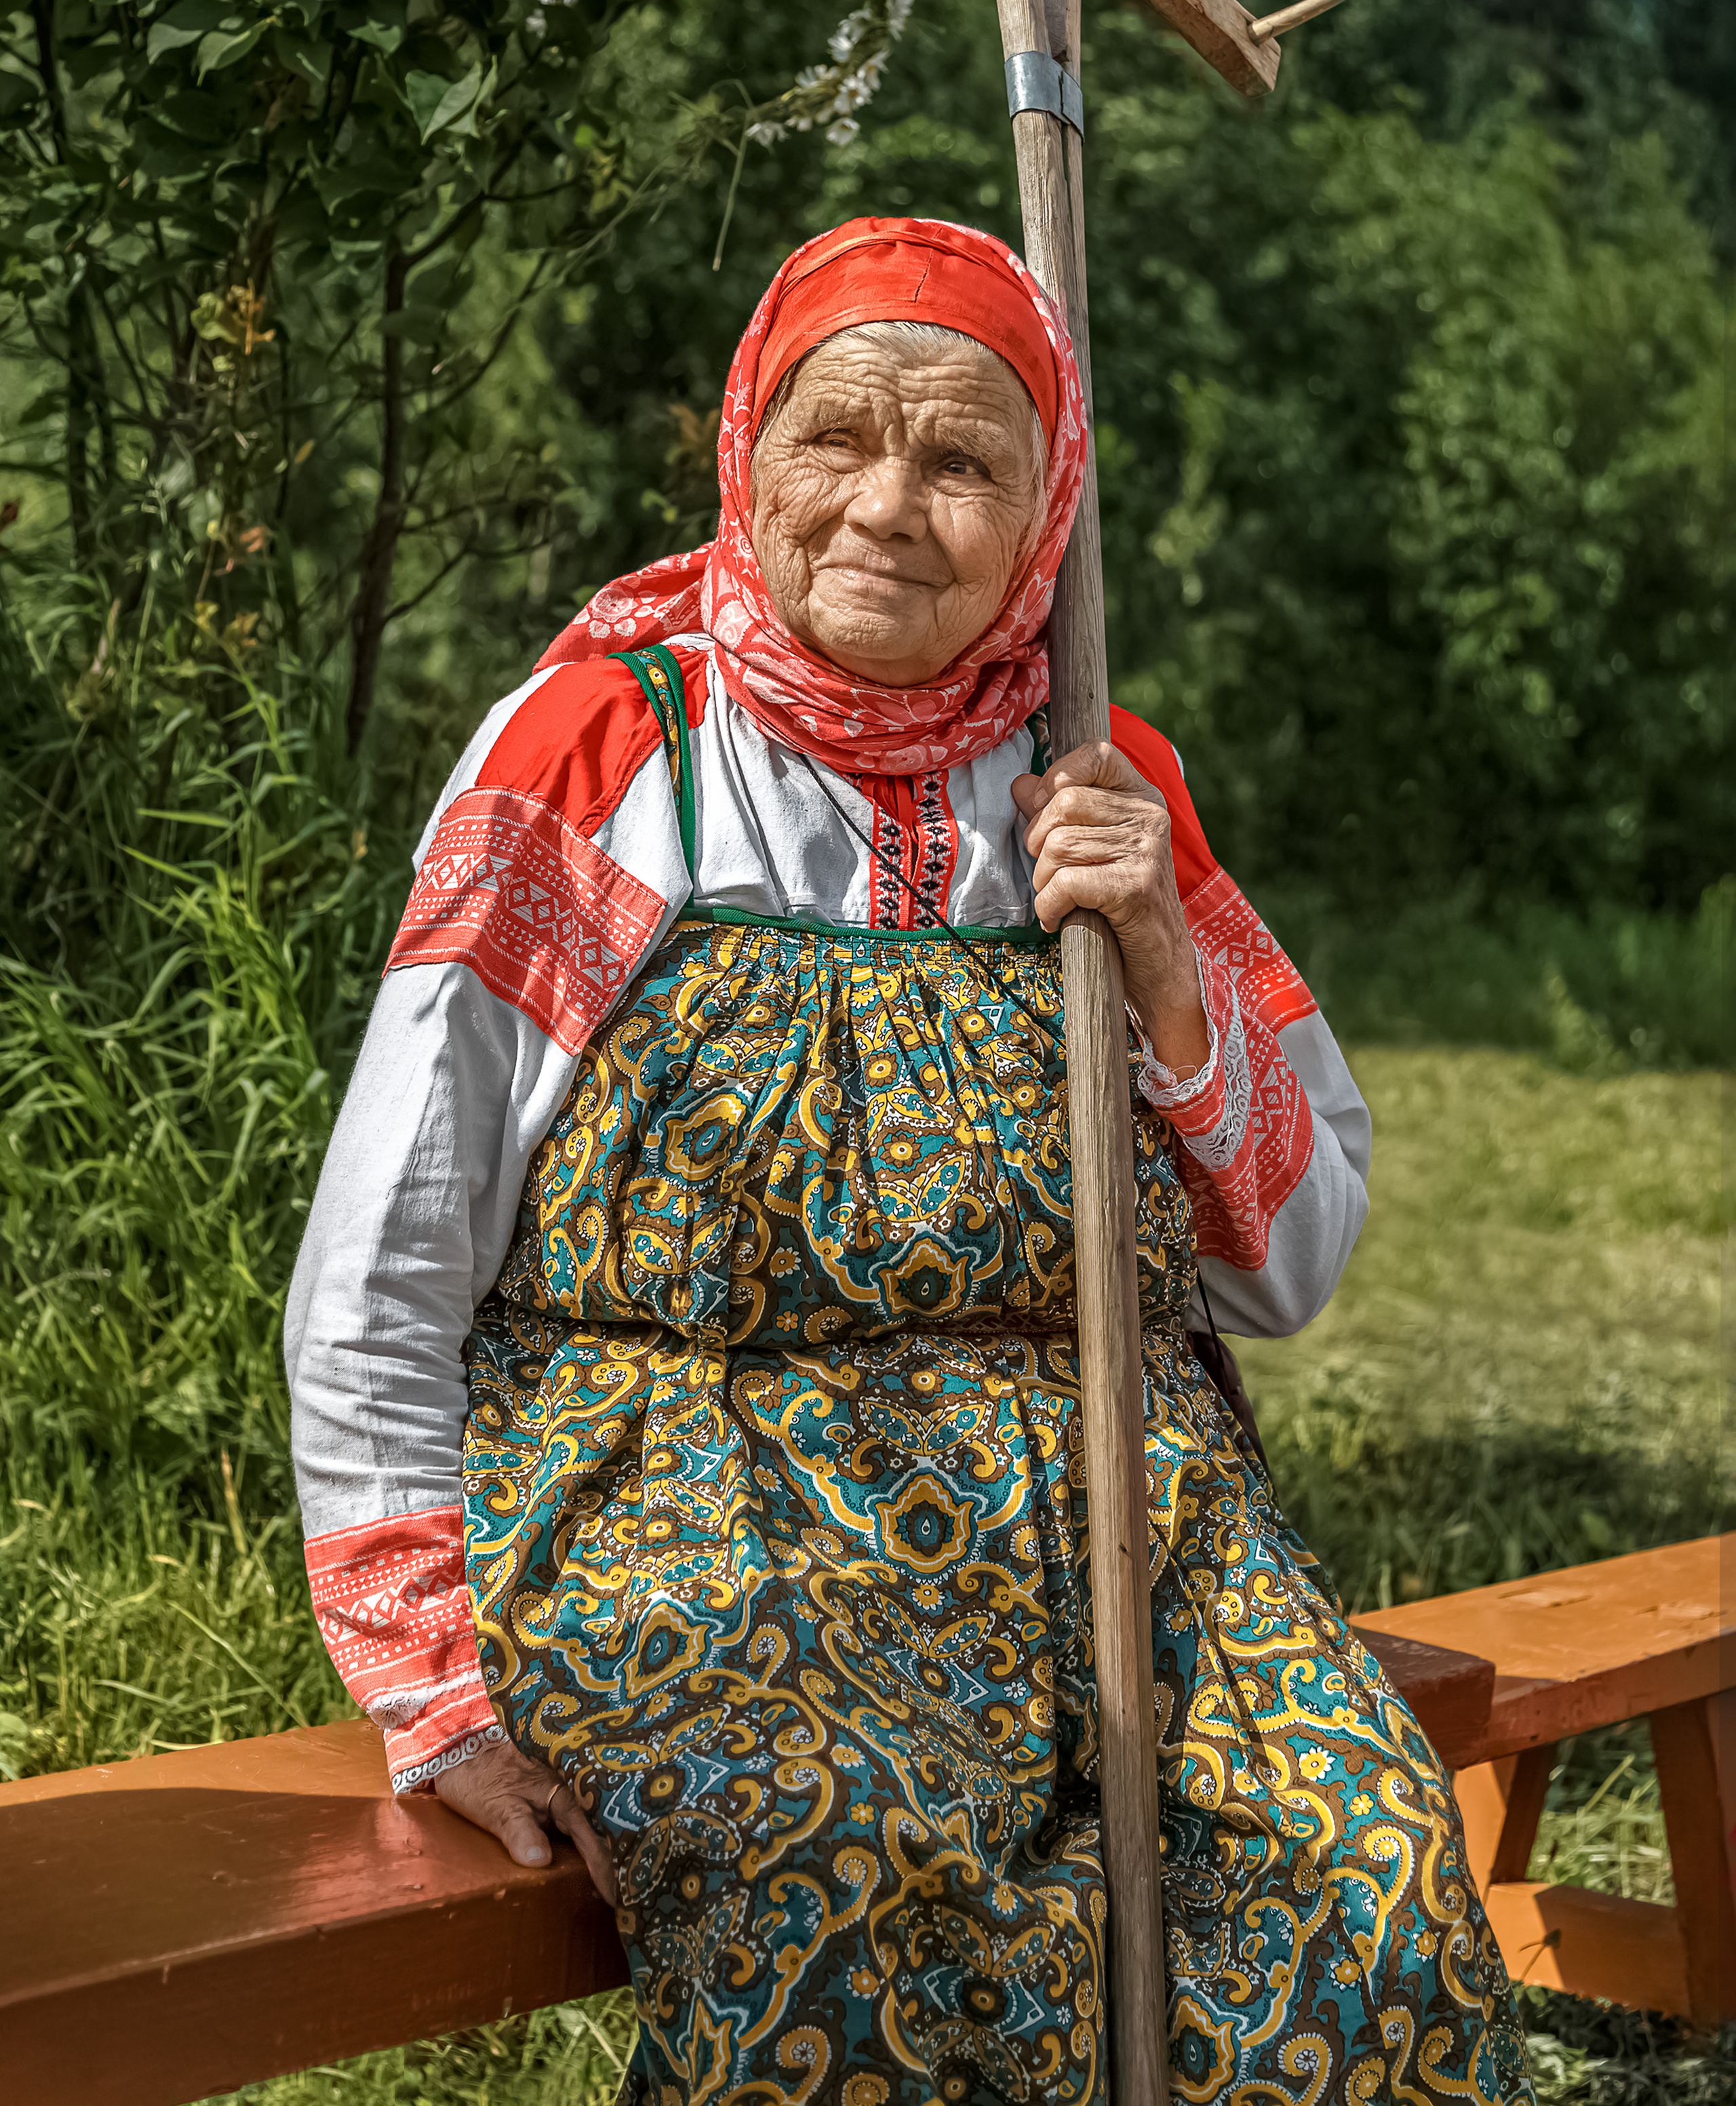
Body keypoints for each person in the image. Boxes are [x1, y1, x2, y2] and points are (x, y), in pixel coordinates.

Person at [287, 218, 1532, 2106]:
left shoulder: (1102, 776)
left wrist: (1169, 977)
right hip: (696, 1516)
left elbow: (1291, 1265)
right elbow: (387, 1254)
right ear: (746, 454)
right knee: (853, 1879)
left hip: (1116, 1513)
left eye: (961, 461)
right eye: (836, 439)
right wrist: (428, 1688)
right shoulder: (609, 749)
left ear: (1047, 514)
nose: (887, 505)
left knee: (1363, 1873)